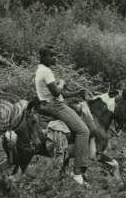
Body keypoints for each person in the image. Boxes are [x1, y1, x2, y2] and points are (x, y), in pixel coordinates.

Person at [34, 46, 92, 186]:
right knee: (83, 131)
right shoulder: (46, 71)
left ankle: (68, 164)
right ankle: (77, 172)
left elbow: (61, 94)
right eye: (52, 56)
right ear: (44, 57)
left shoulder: (41, 70)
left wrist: (77, 92)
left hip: (52, 103)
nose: (55, 58)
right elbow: (56, 93)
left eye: (55, 56)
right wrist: (62, 83)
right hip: (55, 105)